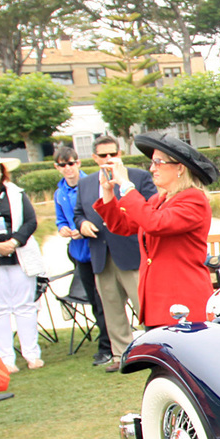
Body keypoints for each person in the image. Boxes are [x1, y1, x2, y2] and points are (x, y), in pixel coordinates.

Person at [95, 134, 218, 348]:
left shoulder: (193, 199)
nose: (152, 168)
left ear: (180, 168)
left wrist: (126, 186)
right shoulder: (158, 200)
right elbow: (122, 226)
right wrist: (108, 191)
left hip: (183, 303)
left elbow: (155, 223)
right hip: (158, 303)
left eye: (158, 162)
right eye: (152, 162)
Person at [74, 136, 155, 369]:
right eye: (103, 155)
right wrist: (81, 224)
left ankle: (154, 351)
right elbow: (79, 212)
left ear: (120, 153)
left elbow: (148, 209)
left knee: (144, 307)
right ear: (94, 158)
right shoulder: (86, 183)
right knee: (111, 308)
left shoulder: (138, 177)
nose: (108, 159)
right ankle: (121, 355)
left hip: (131, 251)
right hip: (100, 253)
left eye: (113, 154)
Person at [0, 149, 45, 372]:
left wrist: (14, 242)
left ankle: (32, 354)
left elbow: (30, 221)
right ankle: (5, 359)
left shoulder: (16, 193)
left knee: (25, 307)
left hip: (19, 256)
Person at [52, 146, 112, 363]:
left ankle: (108, 345)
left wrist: (84, 227)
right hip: (79, 254)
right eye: (62, 164)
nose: (68, 168)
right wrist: (63, 229)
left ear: (78, 163)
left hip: (99, 249)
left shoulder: (92, 185)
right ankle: (106, 342)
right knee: (95, 301)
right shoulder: (59, 193)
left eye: (71, 163)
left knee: (106, 299)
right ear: (57, 167)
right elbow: (61, 220)